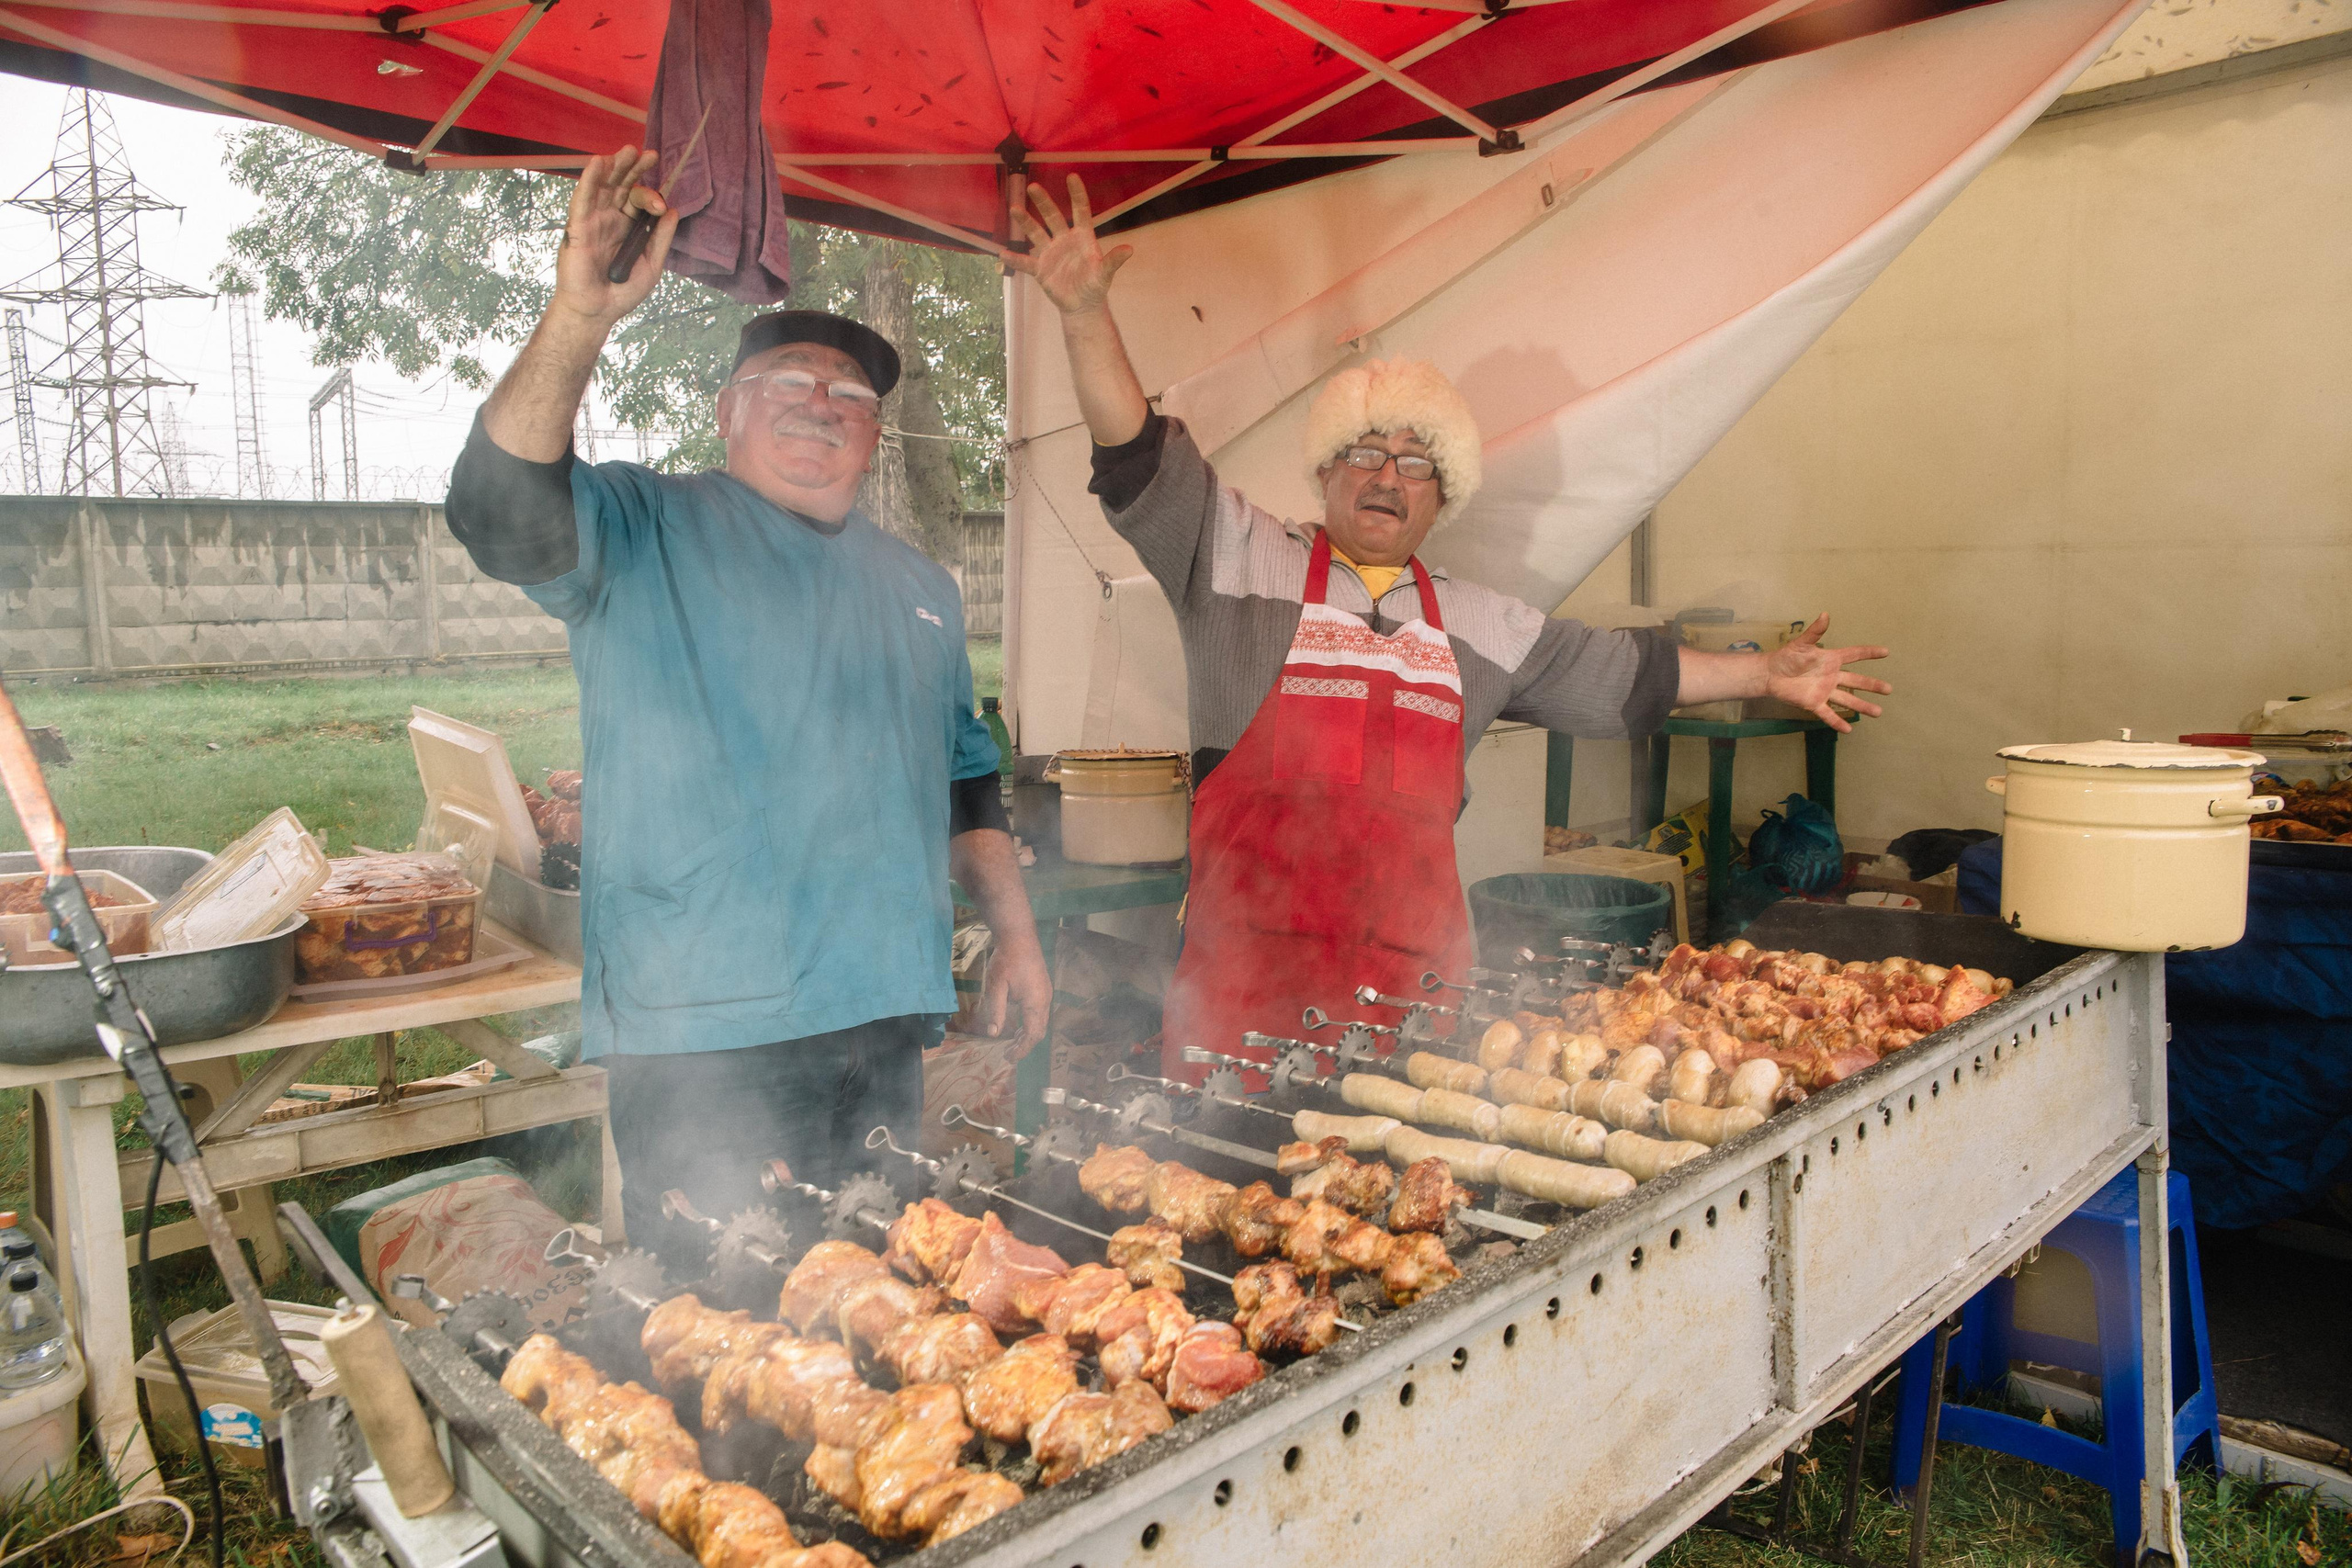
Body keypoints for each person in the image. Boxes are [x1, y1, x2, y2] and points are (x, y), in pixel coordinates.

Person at [1007, 175, 1893, 1075]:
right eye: (1365, 452)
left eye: (1416, 464)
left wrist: (1764, 673)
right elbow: (1135, 457)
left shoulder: (1479, 625)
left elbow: (1627, 675)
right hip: (1238, 1007)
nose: (1386, 478)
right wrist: (1083, 315)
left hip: (1416, 1022)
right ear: (1326, 470)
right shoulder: (1234, 557)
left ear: (1444, 496)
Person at [445, 148, 1051, 1265]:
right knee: (720, 1318)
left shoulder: (920, 588)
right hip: (703, 1029)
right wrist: (580, 315)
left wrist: (1015, 935)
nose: (821, 407)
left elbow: (965, 781)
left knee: (873, 1291)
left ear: (875, 438)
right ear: (727, 413)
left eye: (850, 398)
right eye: (787, 385)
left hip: (879, 1018)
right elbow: (497, 511)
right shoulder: (642, 526)